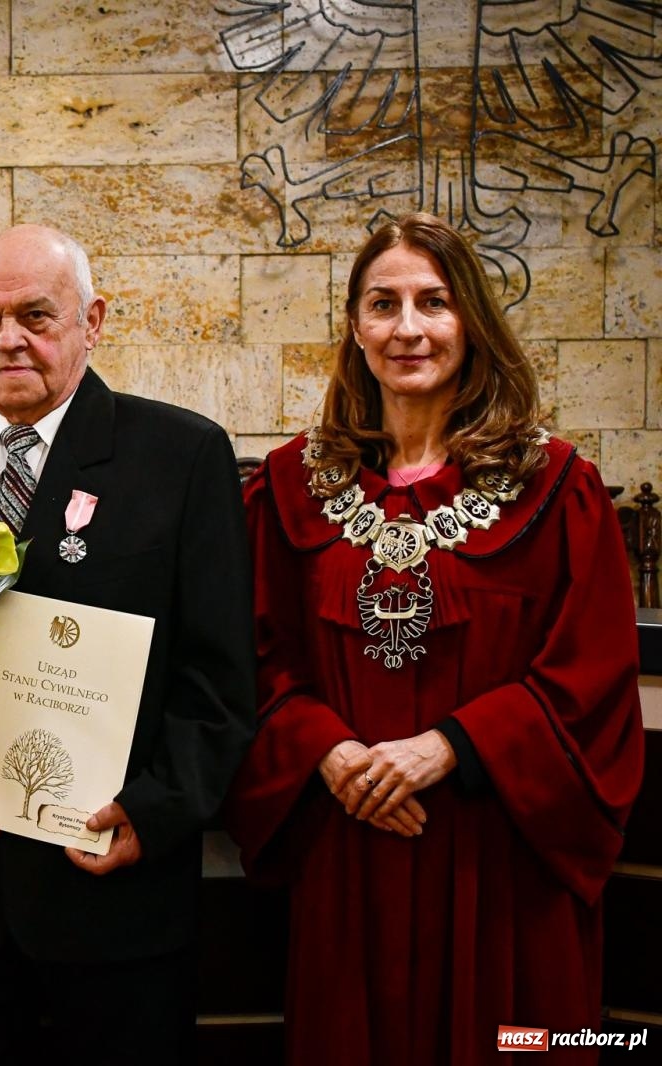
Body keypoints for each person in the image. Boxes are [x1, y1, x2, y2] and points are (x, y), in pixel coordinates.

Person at [225, 212, 645, 1065]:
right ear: (354, 326)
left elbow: (592, 679)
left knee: (515, 1046)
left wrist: (450, 745)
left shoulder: (560, 490)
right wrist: (327, 751)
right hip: (348, 854)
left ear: (472, 322)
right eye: (383, 304)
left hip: (500, 861)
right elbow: (246, 660)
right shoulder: (285, 492)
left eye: (434, 303)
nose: (408, 328)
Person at [0, 224, 255, 1063]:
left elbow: (220, 674)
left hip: (119, 894)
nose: (9, 340)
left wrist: (157, 811)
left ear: (93, 320)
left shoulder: (181, 457)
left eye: (36, 315)